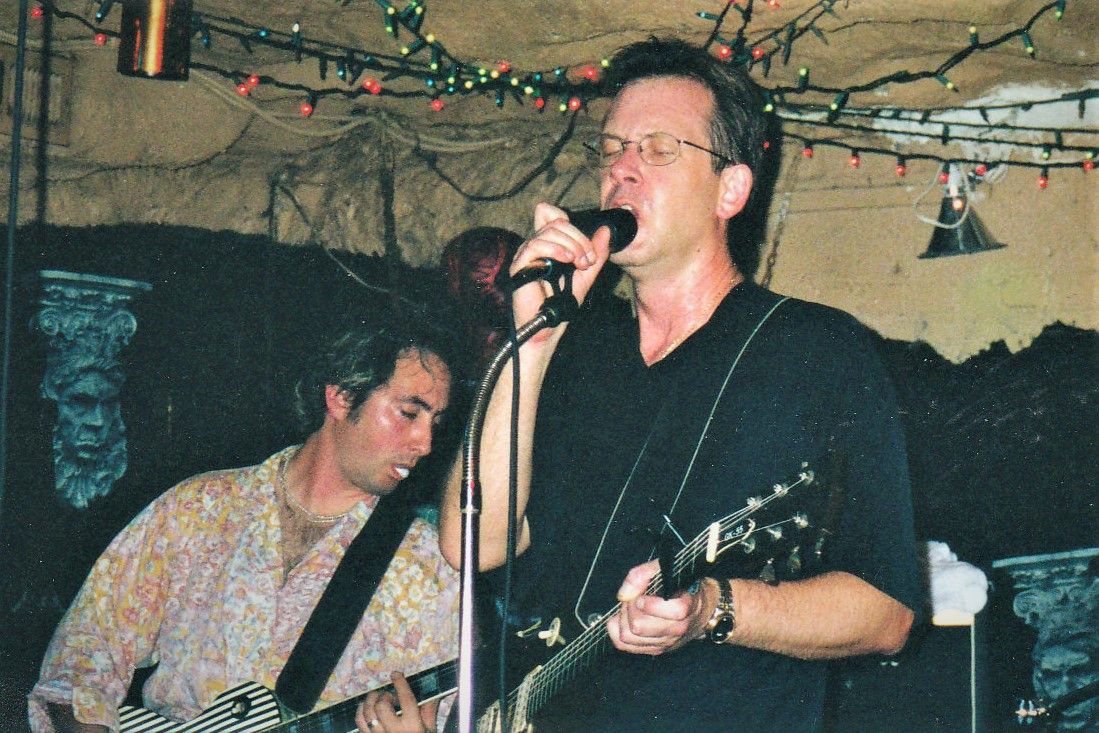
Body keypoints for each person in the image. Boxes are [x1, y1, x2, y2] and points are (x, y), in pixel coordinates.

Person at [438, 37, 923, 732]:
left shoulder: (816, 351)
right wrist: (531, 342)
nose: (621, 170)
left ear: (731, 189)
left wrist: (713, 609)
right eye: (612, 149)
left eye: (659, 150)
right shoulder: (568, 349)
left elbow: (887, 613)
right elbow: (474, 543)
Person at [30, 319, 461, 733]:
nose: (425, 444)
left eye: (436, 424)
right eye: (410, 413)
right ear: (341, 398)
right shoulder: (199, 508)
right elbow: (78, 665)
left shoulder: (427, 564)